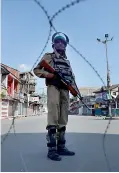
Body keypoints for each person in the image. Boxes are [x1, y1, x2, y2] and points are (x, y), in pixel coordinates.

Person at [33, 32, 76, 161]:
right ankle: (52, 149)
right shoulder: (49, 56)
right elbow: (37, 70)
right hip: (53, 88)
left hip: (65, 90)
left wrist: (74, 89)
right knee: (53, 116)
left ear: (65, 45)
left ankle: (61, 147)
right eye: (57, 41)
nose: (60, 43)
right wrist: (49, 75)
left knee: (63, 117)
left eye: (63, 42)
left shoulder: (67, 61)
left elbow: (72, 77)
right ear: (53, 44)